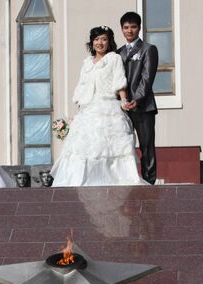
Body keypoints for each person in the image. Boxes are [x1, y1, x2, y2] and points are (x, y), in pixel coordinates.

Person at [51, 26, 144, 187]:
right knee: (82, 146)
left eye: (104, 39)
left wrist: (123, 101)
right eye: (96, 39)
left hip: (108, 106)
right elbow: (82, 87)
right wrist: (78, 114)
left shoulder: (114, 59)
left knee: (109, 148)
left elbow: (119, 81)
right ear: (92, 42)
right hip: (88, 109)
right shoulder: (87, 63)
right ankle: (81, 181)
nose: (100, 43)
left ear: (109, 42)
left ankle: (111, 181)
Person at [118, 12, 159, 184]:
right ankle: (128, 181)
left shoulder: (148, 49)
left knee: (146, 146)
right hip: (123, 108)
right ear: (121, 29)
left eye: (133, 27)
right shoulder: (117, 53)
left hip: (143, 107)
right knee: (123, 147)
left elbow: (147, 78)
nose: (129, 30)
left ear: (139, 28)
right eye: (126, 27)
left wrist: (138, 98)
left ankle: (149, 182)